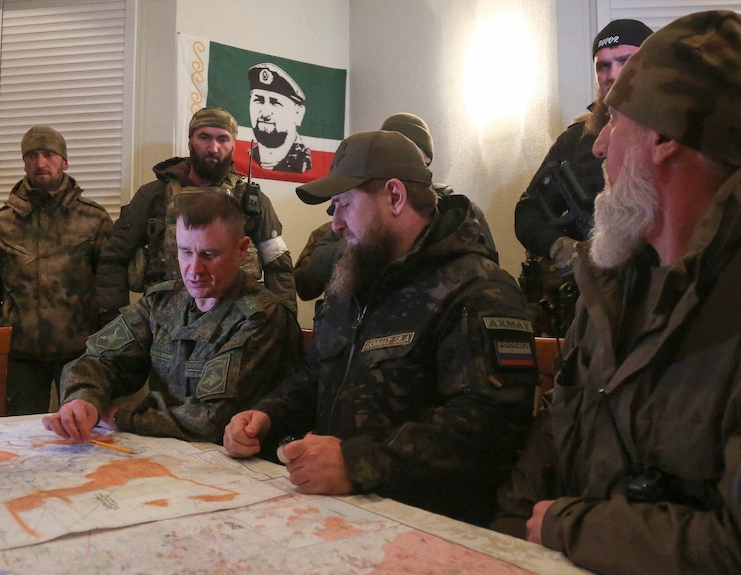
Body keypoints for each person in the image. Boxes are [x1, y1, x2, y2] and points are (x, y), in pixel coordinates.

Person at [493, 10, 741, 574]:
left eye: (615, 124)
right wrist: (501, 544)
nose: (600, 147)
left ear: (664, 138)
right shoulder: (612, 275)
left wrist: (568, 526)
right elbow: (555, 433)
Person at [225, 130, 537, 527]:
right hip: (344, 509)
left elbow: (490, 429)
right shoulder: (357, 276)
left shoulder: (478, 289)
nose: (335, 224)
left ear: (395, 196)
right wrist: (266, 416)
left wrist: (356, 462)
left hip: (431, 524)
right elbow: (317, 374)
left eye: (343, 205)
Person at [43, 191, 302, 444]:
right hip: (169, 455)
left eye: (209, 255)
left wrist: (123, 415)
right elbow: (100, 358)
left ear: (241, 250)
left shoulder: (262, 317)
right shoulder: (163, 301)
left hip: (239, 465)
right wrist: (84, 399)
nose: (194, 269)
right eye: (185, 252)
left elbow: (213, 418)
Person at [514, 19, 652, 336]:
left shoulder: (679, 134)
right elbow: (528, 212)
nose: (613, 75)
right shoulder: (576, 140)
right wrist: (565, 250)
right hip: (590, 310)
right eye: (603, 66)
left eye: (626, 62)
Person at [96, 107, 296, 323]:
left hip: (234, 324)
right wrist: (115, 322)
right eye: (204, 137)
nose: (213, 148)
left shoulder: (252, 201)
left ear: (233, 146)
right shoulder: (152, 196)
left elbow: (278, 266)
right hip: (163, 321)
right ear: (190, 141)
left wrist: (284, 323)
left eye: (222, 139)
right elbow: (112, 258)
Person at [0, 125, 113, 415]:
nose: (40, 163)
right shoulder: (2, 223)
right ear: (24, 162)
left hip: (81, 352)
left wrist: (108, 347)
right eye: (32, 155)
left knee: (82, 436)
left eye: (49, 155)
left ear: (64, 161)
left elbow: (110, 288)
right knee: (21, 440)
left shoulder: (94, 219)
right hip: (21, 353)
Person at [293, 112, 495, 302]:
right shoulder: (349, 220)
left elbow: (485, 274)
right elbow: (306, 281)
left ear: (426, 160)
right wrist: (355, 250)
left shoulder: (456, 220)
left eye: (409, 149)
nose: (338, 223)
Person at [248, 63, 311, 173]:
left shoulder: (305, 164)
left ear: (298, 113)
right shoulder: (248, 158)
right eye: (259, 100)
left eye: (275, 103)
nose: (265, 113)